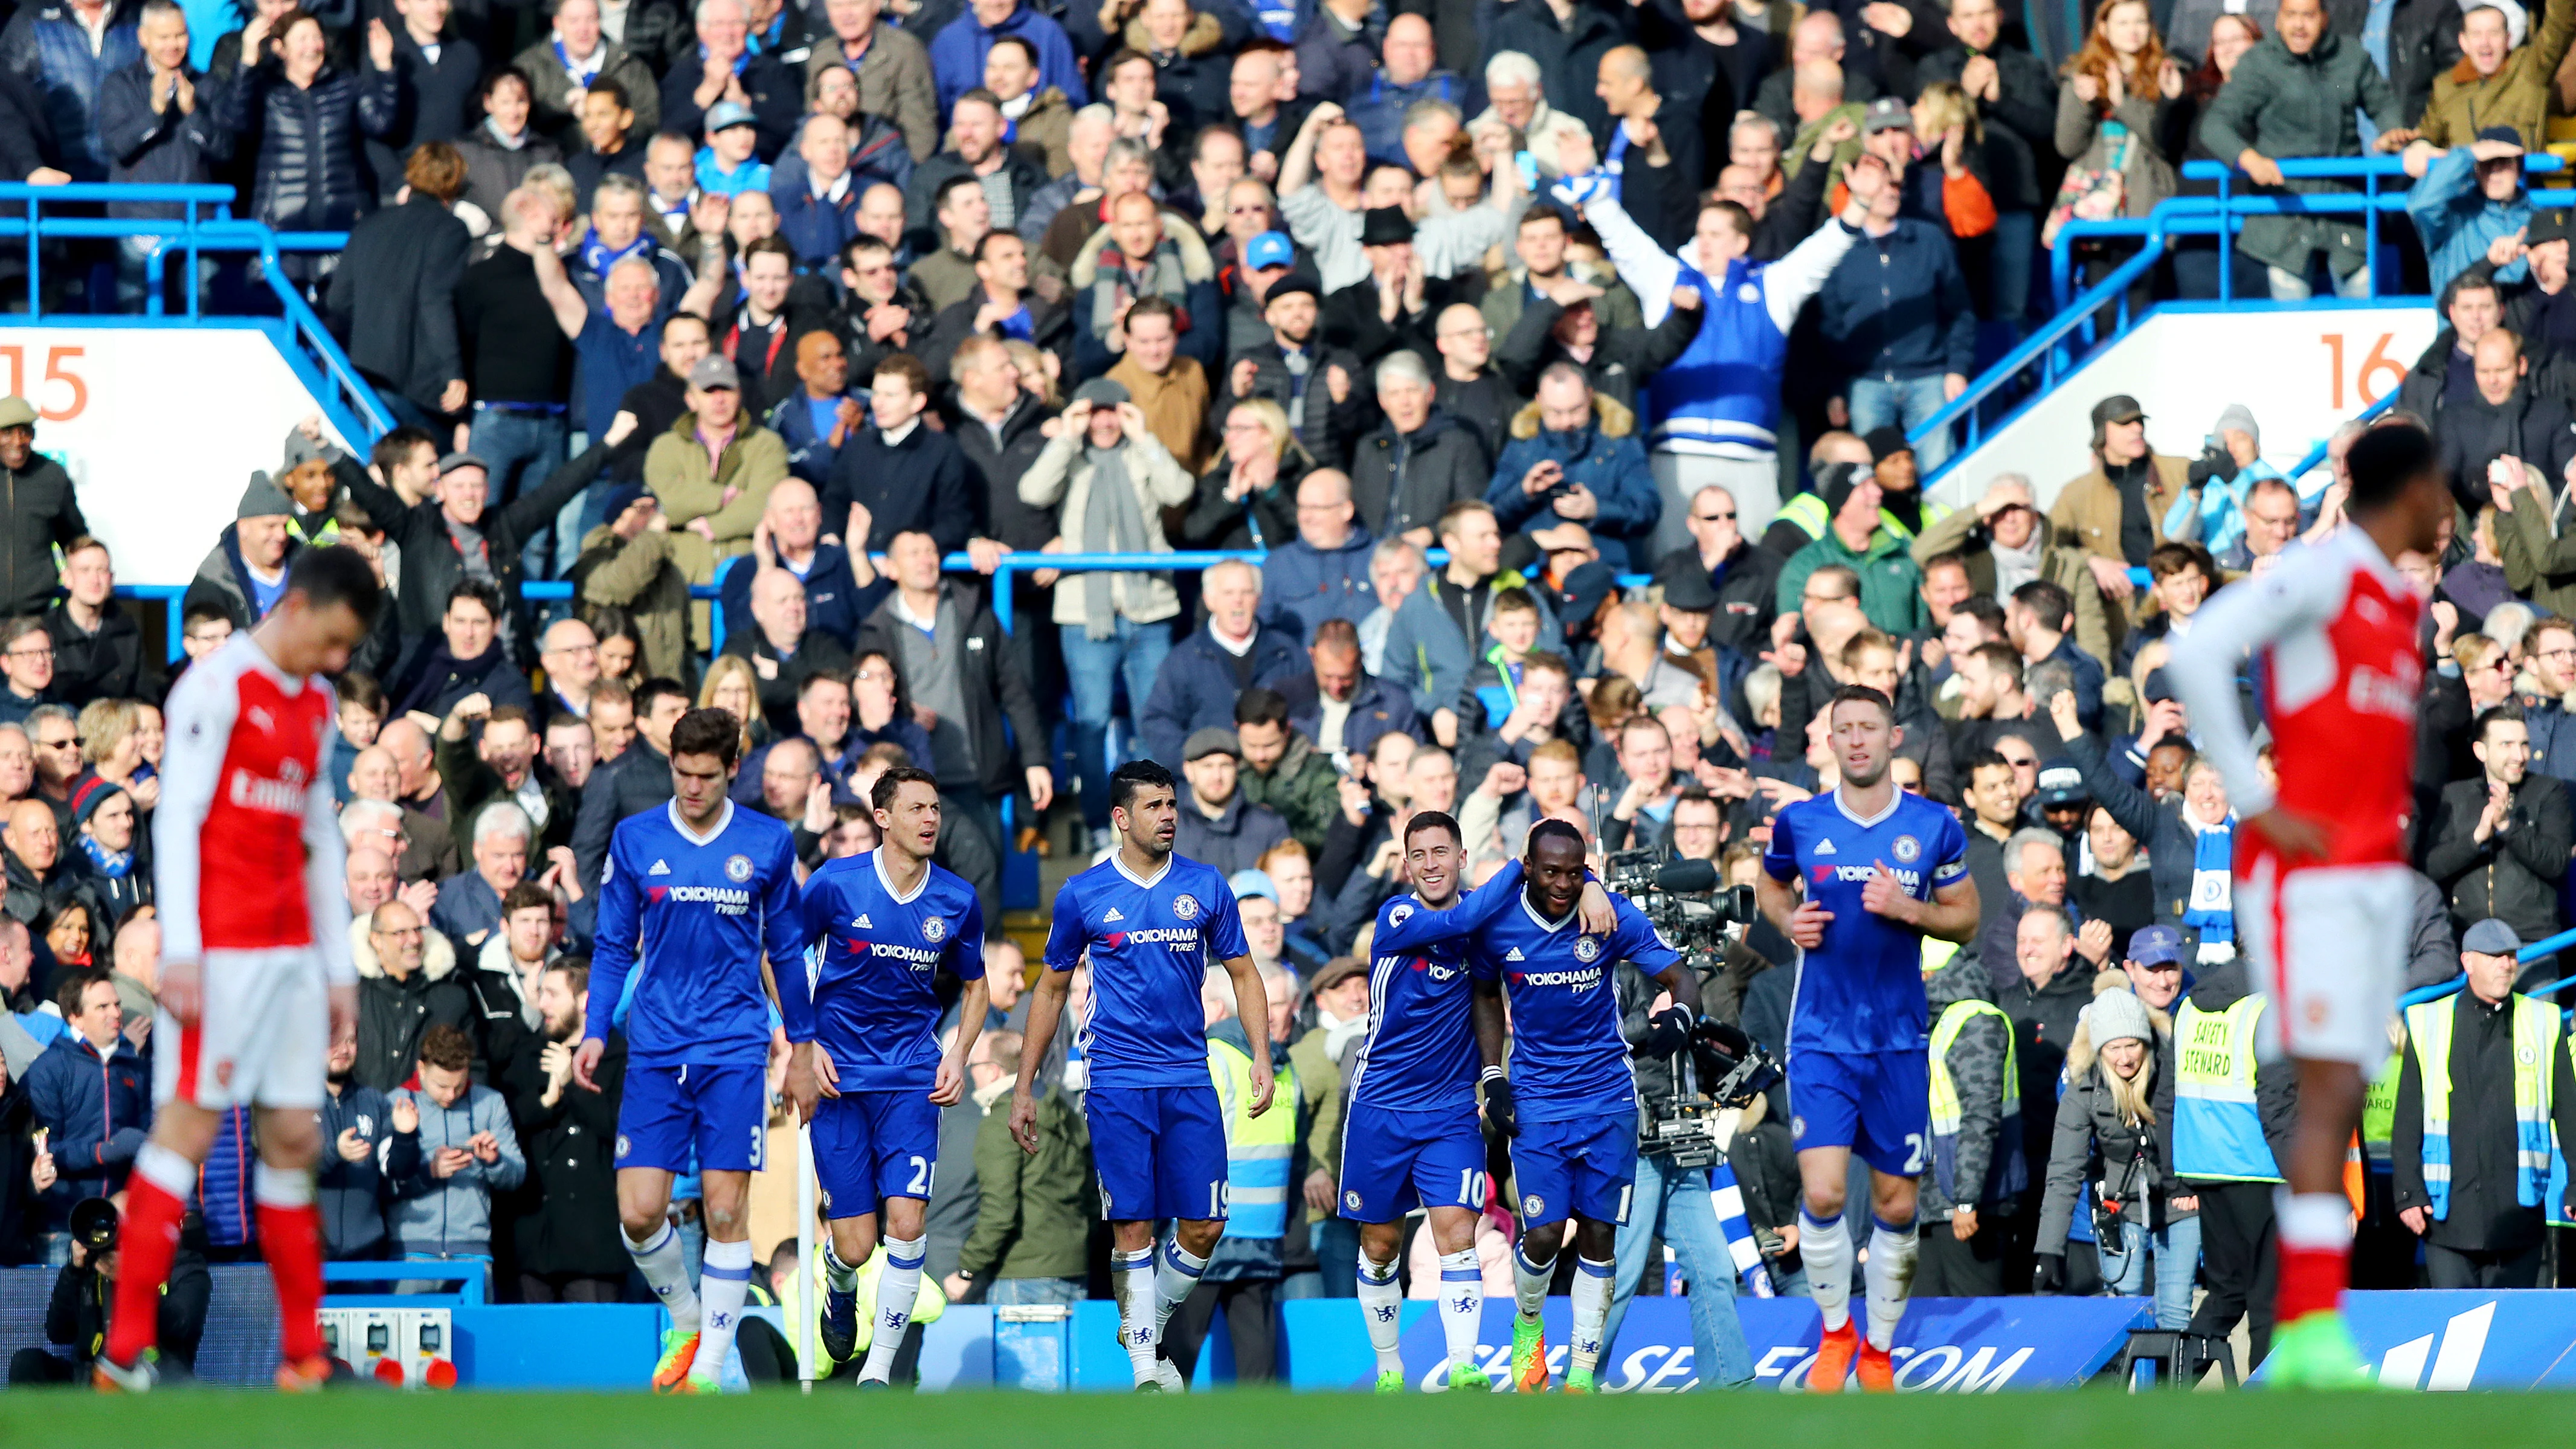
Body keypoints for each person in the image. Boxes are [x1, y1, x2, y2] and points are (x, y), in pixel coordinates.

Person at [2163, 422, 2455, 1381]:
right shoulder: (2325, 574)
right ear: (2404, 489)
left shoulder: (2398, 603)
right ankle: (2307, 1332)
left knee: (2334, 1092)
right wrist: (2257, 798)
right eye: (2436, 488)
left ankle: (2310, 1327)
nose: (2447, 508)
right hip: (2306, 873)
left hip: (2368, 874)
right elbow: (2201, 652)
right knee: (2320, 1087)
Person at [95, 545, 382, 1393]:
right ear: (292, 605)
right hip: (219, 953)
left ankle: (303, 1357)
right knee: (186, 1127)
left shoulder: (318, 700)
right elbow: (176, 817)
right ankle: (123, 1351)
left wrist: (339, 967)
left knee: (293, 1137)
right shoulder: (213, 688)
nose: (336, 659)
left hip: (294, 956)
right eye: (330, 638)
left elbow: (320, 835)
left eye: (348, 647)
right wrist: (179, 948)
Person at [1013, 759, 1266, 1392]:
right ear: (1121, 817)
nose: (1169, 814)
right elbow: (1049, 987)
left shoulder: (1205, 884)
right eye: (1155, 805)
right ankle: (1146, 1369)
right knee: (1132, 1222)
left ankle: (1146, 1318)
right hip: (1118, 1078)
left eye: (1172, 804)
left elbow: (1242, 972)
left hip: (1188, 1073)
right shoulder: (1083, 892)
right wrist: (1024, 1084)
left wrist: (1260, 1051)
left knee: (1207, 1223)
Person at [1754, 684, 1979, 1392]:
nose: (1855, 739)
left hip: (1898, 1041)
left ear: (1893, 739)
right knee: (1821, 1195)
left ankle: (1878, 1350)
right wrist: (1789, 921)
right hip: (1819, 1036)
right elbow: (1768, 886)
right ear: (1828, 741)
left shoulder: (1933, 824)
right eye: (1842, 728)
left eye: (1868, 728)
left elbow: (1966, 917)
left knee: (1897, 1205)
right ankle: (1833, 1331)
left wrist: (1908, 906)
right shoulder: (1799, 821)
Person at [574, 706, 803, 1393]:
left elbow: (786, 948)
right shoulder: (636, 837)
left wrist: (803, 1037)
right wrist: (593, 1027)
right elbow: (614, 943)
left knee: (726, 1209)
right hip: (654, 1048)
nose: (693, 788)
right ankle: (686, 1314)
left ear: (734, 767)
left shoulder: (768, 841)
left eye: (707, 775)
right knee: (639, 1209)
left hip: (734, 1047)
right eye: (682, 773)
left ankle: (707, 1368)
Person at [786, 765, 987, 1385]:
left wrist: (956, 1053)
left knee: (906, 1223)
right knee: (854, 1244)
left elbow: (976, 983)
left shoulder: (955, 898)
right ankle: (839, 1283)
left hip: (910, 1078)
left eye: (935, 808)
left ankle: (877, 1369)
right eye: (917, 808)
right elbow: (784, 955)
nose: (930, 818)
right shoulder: (836, 885)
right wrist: (803, 1041)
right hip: (840, 1080)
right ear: (882, 817)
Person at [2391, 918, 2576, 1288]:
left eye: (2510, 956)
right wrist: (2408, 1194)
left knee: (2510, 1341)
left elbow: (2570, 1115)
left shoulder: (2544, 1021)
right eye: (2495, 956)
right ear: (2468, 962)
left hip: (2517, 1218)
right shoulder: (2428, 1021)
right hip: (2446, 1220)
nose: (2506, 965)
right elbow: (2408, 1118)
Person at [2194, 0, 2405, 300]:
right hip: (2285, 213)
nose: (2299, 25)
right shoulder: (2259, 63)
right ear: (2278, 20)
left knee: (2363, 310)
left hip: (2347, 210)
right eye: (2291, 15)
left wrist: (2392, 131)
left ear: (2324, 19)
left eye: (2308, 16)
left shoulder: (2351, 57)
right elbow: (2216, 125)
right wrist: (2248, 159)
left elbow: (2382, 103)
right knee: (2291, 320)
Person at [385, 1023, 527, 1265]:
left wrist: (495, 1161)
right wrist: (430, 1172)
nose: (451, 1095)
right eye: (442, 1086)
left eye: (459, 1086)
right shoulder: (394, 1104)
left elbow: (517, 1175)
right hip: (411, 1253)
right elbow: (384, 1184)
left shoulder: (491, 1103)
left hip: (473, 1252)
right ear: (421, 1069)